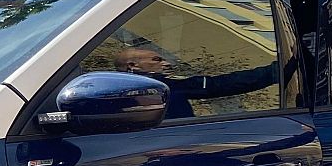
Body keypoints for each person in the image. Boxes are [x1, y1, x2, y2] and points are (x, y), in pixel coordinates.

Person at [114, 46, 278, 119]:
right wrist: (275, 72)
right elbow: (223, 85)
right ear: (133, 65)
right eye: (156, 59)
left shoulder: (111, 92)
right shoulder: (163, 88)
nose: (166, 64)